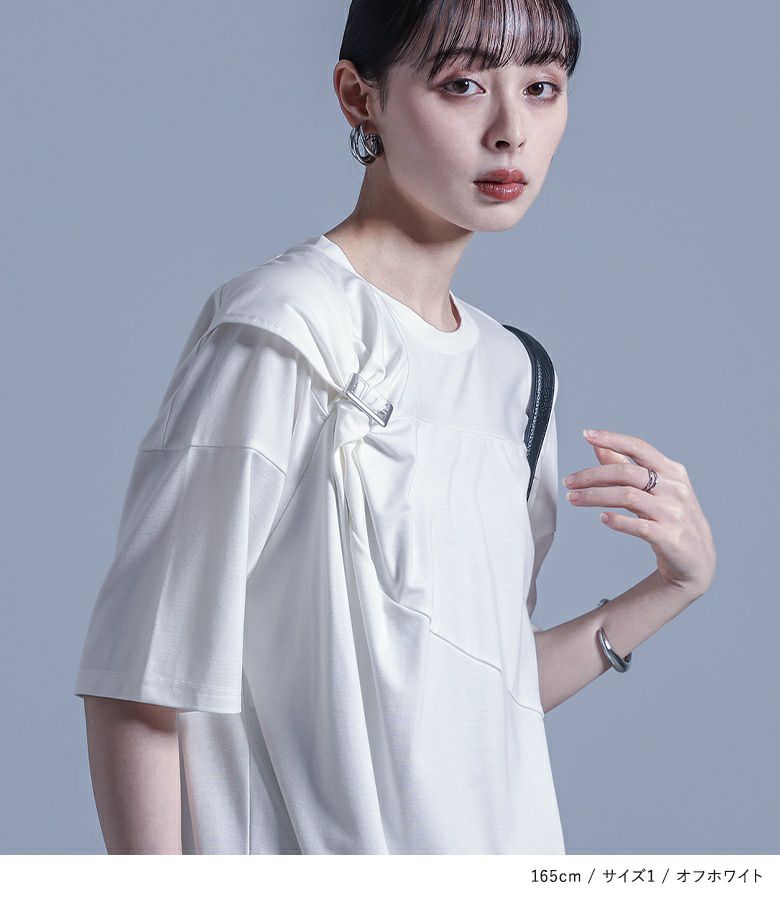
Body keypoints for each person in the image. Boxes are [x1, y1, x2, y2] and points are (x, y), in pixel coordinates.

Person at [74, 0, 717, 855]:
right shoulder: (287, 329)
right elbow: (139, 677)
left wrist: (668, 589)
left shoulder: (518, 374)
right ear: (359, 96)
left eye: (541, 87)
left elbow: (479, 694)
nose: (510, 130)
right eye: (461, 84)